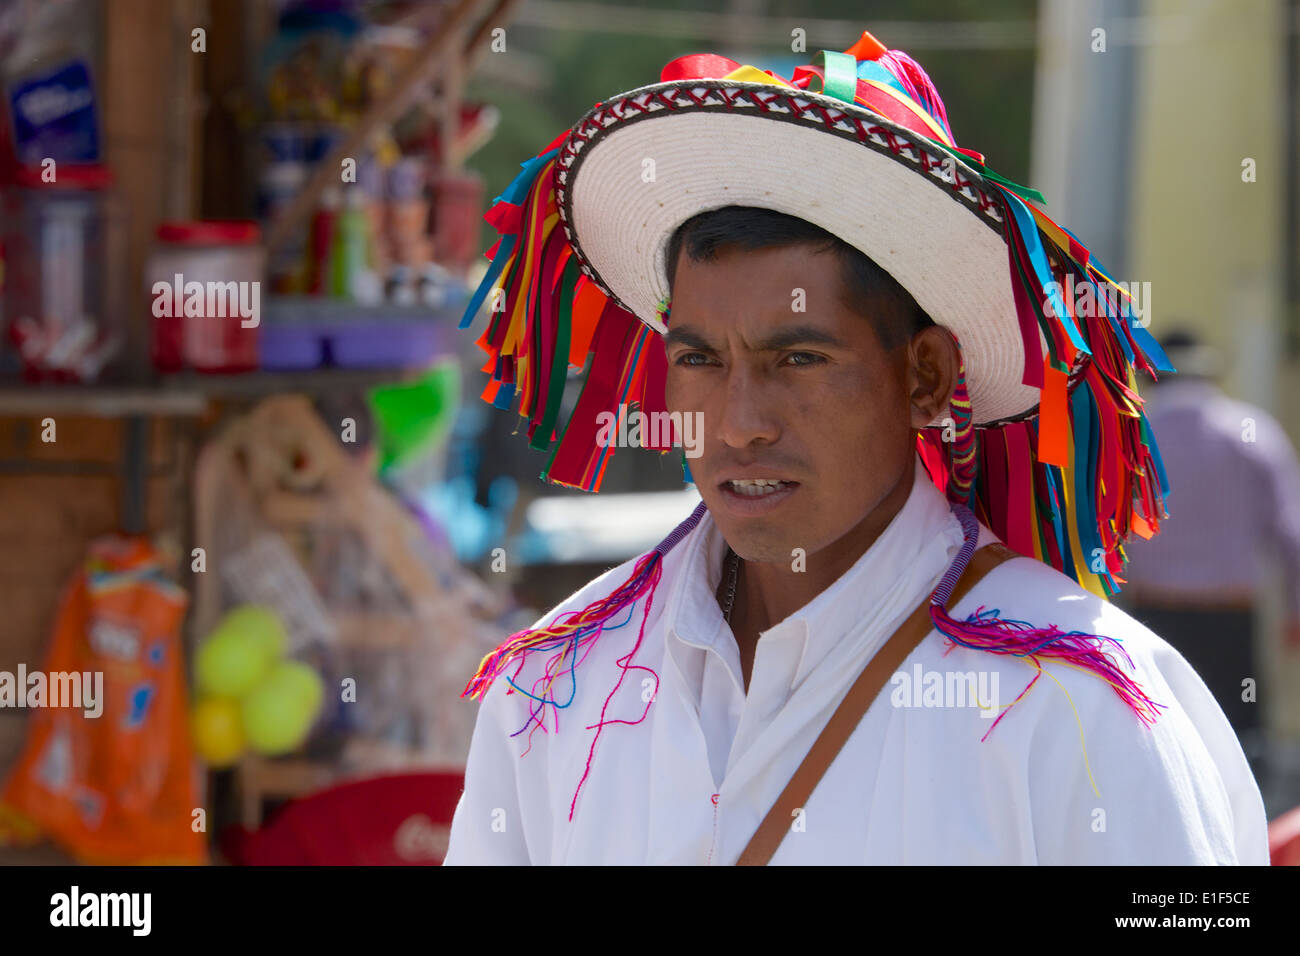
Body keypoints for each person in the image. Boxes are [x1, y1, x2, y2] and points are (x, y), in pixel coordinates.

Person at [442, 30, 1268, 864]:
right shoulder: (553, 683)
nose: (737, 423)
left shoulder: (1080, 707)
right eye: (699, 359)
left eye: (799, 358)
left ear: (926, 375)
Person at [1120, 327, 1300, 763]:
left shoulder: (1132, 431)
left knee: (1159, 746)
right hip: (1231, 622)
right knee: (1238, 748)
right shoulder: (1251, 430)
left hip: (1152, 619)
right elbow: (1291, 533)